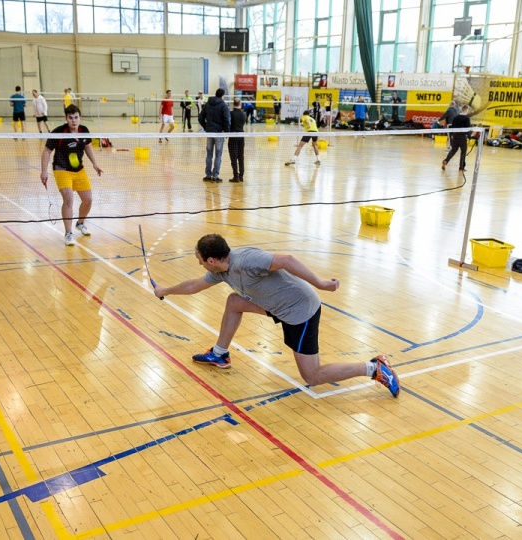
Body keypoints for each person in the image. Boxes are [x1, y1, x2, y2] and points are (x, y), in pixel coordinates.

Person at [152, 234, 400, 397]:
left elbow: (287, 259)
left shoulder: (247, 260)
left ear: (211, 259)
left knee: (312, 376)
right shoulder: (221, 272)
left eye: (200, 260)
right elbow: (194, 285)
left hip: (299, 312)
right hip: (277, 306)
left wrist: (321, 283)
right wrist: (165, 291)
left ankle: (374, 368)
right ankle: (220, 354)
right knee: (234, 301)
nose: (199, 265)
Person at [40, 105, 103, 246]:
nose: (74, 121)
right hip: (61, 169)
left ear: (80, 117)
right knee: (68, 199)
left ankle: (80, 223)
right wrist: (44, 171)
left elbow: (87, 146)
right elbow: (46, 151)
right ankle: (68, 233)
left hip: (79, 169)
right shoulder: (59, 133)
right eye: (70, 118)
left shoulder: (84, 131)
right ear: (66, 119)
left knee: (88, 200)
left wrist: (95, 163)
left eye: (76, 117)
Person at [201, 88, 230, 182]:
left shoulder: (207, 104)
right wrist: (226, 131)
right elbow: (227, 120)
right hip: (219, 133)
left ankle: (208, 175)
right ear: (222, 95)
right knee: (218, 155)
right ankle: (215, 176)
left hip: (210, 132)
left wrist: (206, 127)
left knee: (209, 154)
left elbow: (200, 117)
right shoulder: (223, 105)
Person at [442, 105, 471, 172]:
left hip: (455, 137)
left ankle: (446, 161)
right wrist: (469, 136)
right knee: (463, 152)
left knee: (453, 151)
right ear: (466, 110)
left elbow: (453, 127)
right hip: (462, 138)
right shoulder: (467, 118)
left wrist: (452, 135)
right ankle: (461, 167)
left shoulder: (456, 117)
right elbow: (468, 129)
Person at [228, 98, 247, 183]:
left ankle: (236, 176)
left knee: (233, 157)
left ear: (233, 104)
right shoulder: (244, 114)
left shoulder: (230, 114)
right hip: (241, 137)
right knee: (241, 156)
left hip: (233, 137)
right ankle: (241, 175)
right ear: (240, 104)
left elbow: (228, 124)